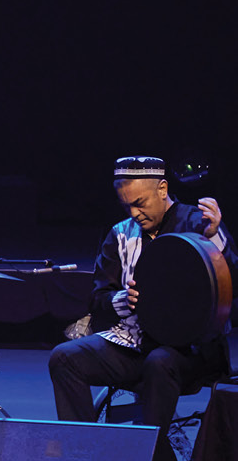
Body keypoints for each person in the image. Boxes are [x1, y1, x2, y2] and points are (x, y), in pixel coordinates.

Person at [48, 156, 236, 427]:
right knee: (64, 358)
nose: (134, 213)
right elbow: (98, 299)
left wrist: (215, 239)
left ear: (162, 189)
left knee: (159, 363)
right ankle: (85, 452)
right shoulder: (121, 235)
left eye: (140, 203)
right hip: (136, 346)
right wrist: (123, 300)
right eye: (127, 206)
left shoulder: (199, 224)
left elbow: (234, 284)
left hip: (192, 352)